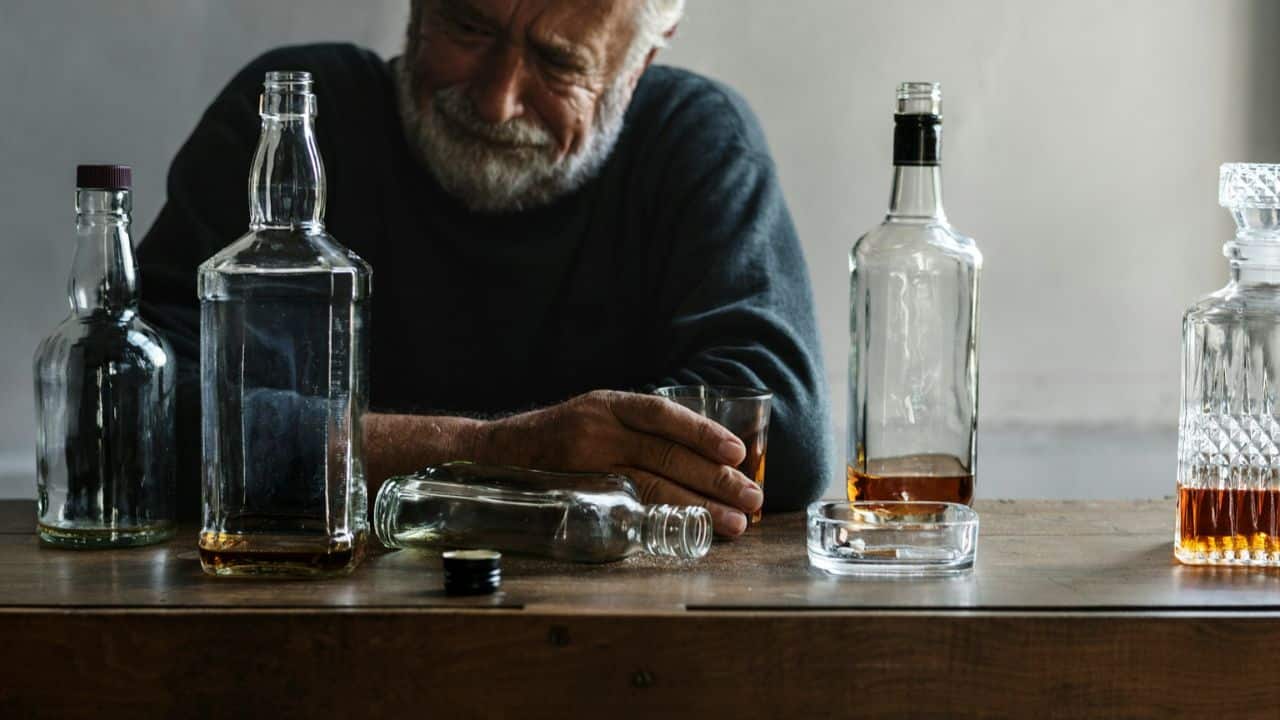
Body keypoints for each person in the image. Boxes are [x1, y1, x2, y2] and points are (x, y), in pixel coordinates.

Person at [137, 0, 832, 536]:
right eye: (468, 27)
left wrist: (357, 453)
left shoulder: (693, 140)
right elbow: (128, 409)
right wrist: (504, 451)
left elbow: (781, 436)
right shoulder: (293, 118)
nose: (497, 99)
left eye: (559, 64)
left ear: (639, 62)